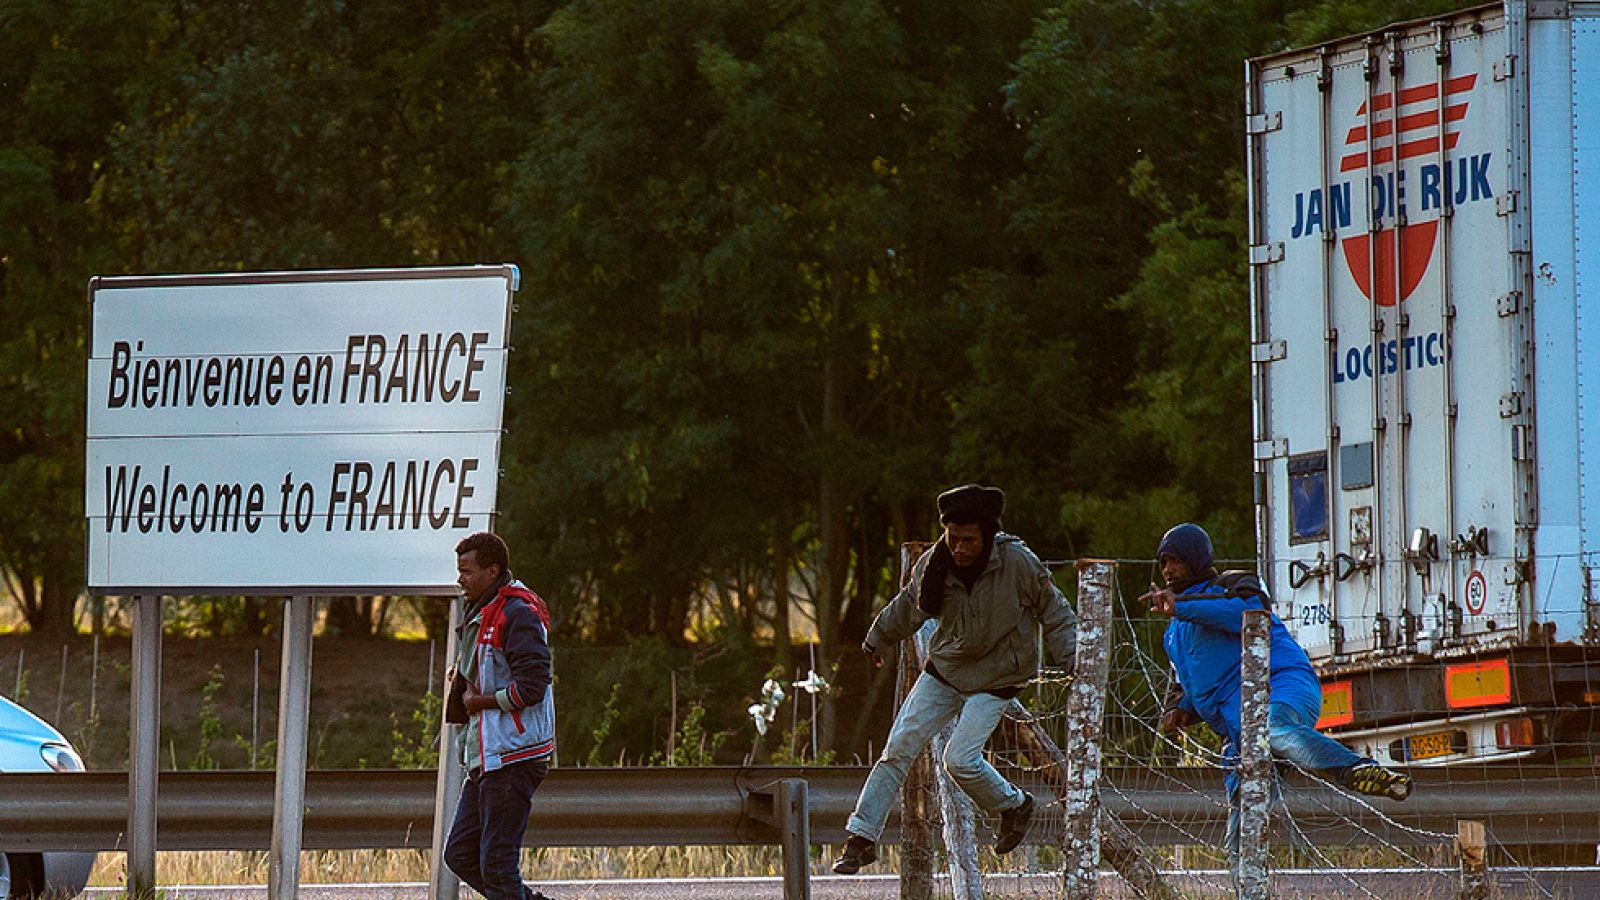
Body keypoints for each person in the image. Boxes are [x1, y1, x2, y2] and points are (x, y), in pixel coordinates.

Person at [832, 484, 1079, 874]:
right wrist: (877, 638)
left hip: (998, 675)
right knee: (897, 748)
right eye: (953, 538)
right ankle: (860, 839)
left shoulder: (1018, 562)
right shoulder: (935, 563)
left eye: (969, 539)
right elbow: (907, 607)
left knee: (959, 761)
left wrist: (1074, 660)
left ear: (988, 534)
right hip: (946, 669)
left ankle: (1014, 805)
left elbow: (1057, 611)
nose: (960, 548)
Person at [1140, 522, 1411, 864]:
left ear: (1196, 559)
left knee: (1271, 728)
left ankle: (1356, 770)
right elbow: (1196, 680)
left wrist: (1182, 606)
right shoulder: (1173, 634)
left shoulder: (1233, 585)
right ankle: (1247, 883)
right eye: (1163, 563)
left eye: (1174, 560)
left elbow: (1250, 613)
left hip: (1283, 683)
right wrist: (1182, 708)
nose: (1167, 570)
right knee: (1243, 824)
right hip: (1241, 735)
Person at [443, 531, 557, 900]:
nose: (461, 579)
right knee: (461, 854)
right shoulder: (483, 609)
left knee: (496, 864)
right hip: (489, 754)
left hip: (514, 755)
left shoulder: (516, 614)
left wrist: (481, 702)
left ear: (493, 571)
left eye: (467, 571)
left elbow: (533, 687)